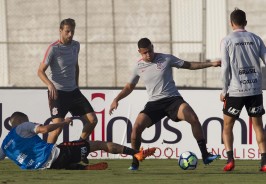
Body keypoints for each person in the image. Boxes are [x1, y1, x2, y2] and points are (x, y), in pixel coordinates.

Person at [109, 37, 221, 170]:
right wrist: (116, 99)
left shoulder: (166, 58)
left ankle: (205, 155)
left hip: (173, 100)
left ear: (153, 47)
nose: (148, 54)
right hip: (154, 104)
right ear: (139, 52)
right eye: (145, 53)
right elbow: (129, 87)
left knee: (193, 118)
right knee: (136, 129)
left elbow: (189, 65)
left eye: (150, 51)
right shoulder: (138, 67)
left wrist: (211, 64)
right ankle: (135, 161)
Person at [0, 111, 156, 170]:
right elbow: (43, 130)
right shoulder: (23, 126)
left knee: (66, 162)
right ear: (22, 120)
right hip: (56, 155)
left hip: (43, 169)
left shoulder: (5, 145)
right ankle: (137, 153)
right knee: (97, 144)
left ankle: (85, 167)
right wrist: (64, 123)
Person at [37, 18, 97, 164]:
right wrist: (50, 85)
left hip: (74, 92)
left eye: (72, 31)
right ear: (60, 31)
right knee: (57, 129)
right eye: (67, 31)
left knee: (92, 120)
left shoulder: (76, 45)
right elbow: (40, 71)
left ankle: (80, 147)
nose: (70, 34)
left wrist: (76, 85)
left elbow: (76, 66)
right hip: (58, 93)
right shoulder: (53, 49)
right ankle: (45, 158)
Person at [220, 8, 266, 172]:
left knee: (227, 126)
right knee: (258, 126)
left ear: (231, 23)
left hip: (236, 91)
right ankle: (264, 162)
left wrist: (224, 90)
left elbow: (225, 68)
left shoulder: (227, 41)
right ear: (245, 22)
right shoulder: (256, 39)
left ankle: (230, 160)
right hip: (255, 90)